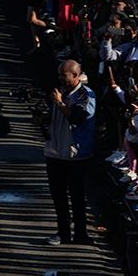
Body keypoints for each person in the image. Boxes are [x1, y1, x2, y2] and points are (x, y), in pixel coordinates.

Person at [43, 59, 96, 245]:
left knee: (77, 196)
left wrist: (59, 104)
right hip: (54, 151)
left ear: (75, 75)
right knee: (58, 196)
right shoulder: (60, 92)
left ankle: (81, 233)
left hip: (75, 155)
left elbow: (78, 117)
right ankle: (63, 232)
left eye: (63, 75)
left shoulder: (85, 95)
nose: (60, 79)